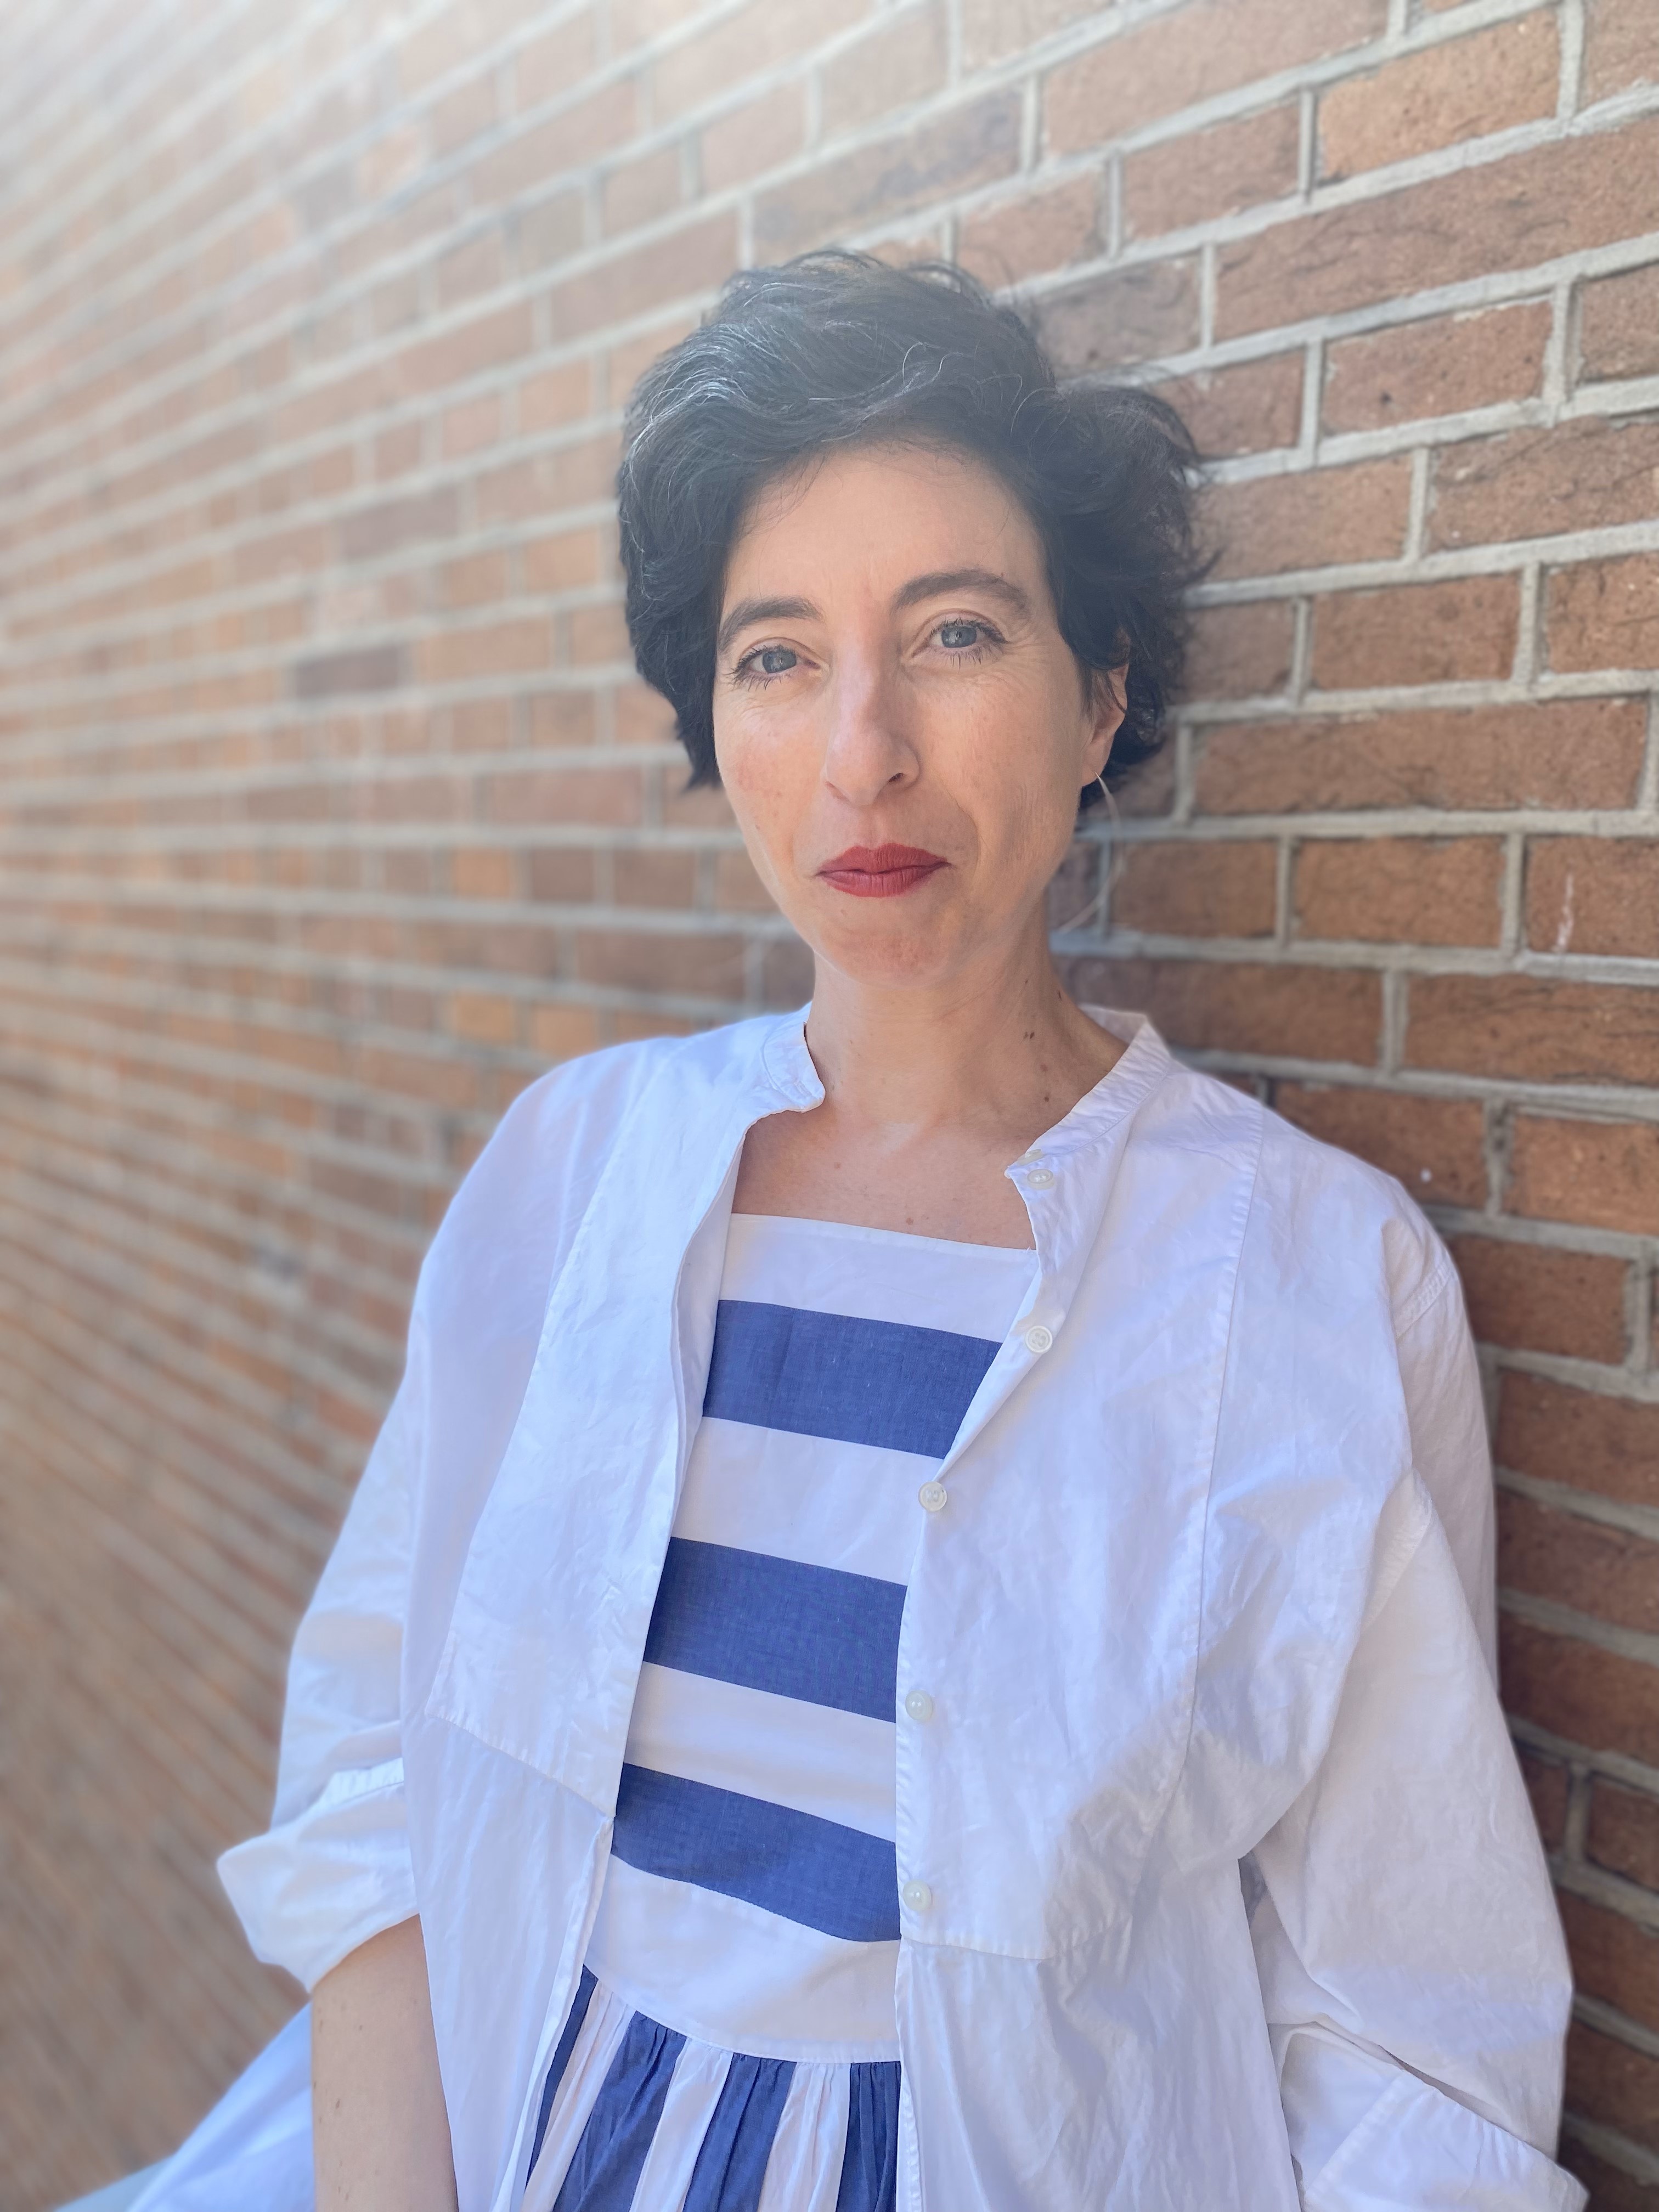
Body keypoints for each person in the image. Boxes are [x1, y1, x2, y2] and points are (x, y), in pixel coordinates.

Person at [133, 253, 1583, 2212]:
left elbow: (1412, 2046)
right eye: (778, 656)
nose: (863, 752)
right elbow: (382, 1787)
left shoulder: (1310, 1275)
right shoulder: (575, 1171)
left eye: (956, 633)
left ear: (1103, 694)